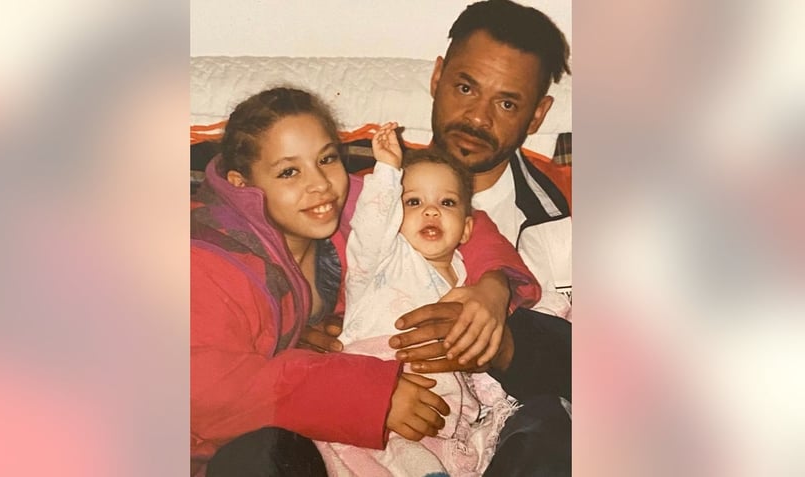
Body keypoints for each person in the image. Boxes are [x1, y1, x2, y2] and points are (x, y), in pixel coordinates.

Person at [190, 87, 541, 477]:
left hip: (324, 432)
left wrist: (492, 287)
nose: (320, 184)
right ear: (242, 184)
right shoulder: (206, 260)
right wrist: (371, 395)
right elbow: (206, 394)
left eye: (326, 159)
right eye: (289, 171)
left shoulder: (344, 205)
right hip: (216, 453)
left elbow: (455, 216)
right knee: (262, 451)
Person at [303, 2, 574, 475]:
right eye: (465, 87)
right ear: (437, 78)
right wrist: (299, 336)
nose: (477, 117)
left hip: (506, 437)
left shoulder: (569, 210)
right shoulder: (354, 198)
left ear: (537, 115)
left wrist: (502, 319)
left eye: (507, 103)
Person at [314, 123, 534, 475]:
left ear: (465, 228)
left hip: (441, 415)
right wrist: (387, 170)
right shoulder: (384, 257)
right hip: (381, 392)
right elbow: (371, 227)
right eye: (414, 202)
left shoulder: (466, 276)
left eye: (446, 202)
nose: (431, 211)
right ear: (395, 218)